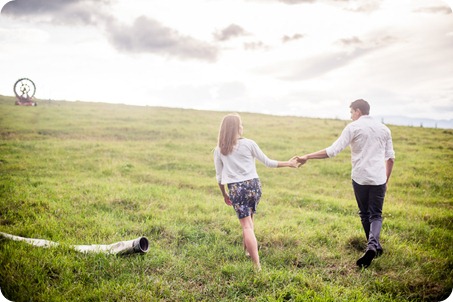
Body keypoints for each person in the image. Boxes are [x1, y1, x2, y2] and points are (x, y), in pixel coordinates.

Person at [296, 99, 395, 268]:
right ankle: (374, 246)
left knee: (365, 214)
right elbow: (390, 158)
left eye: (351, 113)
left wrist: (307, 156)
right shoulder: (384, 129)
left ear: (358, 111)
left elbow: (332, 151)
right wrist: (385, 180)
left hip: (360, 178)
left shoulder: (353, 127)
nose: (350, 116)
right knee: (376, 215)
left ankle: (372, 246)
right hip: (378, 178)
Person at [214, 113, 299, 271]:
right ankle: (247, 250)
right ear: (237, 128)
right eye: (241, 124)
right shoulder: (249, 144)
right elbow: (268, 162)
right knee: (249, 220)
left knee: (246, 225)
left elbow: (219, 177)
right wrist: (289, 163)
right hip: (254, 186)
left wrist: (224, 194)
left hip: (236, 188)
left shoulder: (219, 150)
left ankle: (256, 265)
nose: (242, 126)